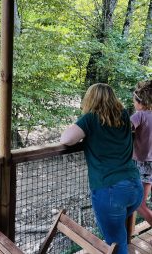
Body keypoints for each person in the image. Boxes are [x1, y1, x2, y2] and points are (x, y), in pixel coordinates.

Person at [60, 83, 143, 254]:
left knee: (116, 244)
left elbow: (66, 139)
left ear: (90, 99)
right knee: (119, 233)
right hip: (135, 187)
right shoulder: (123, 116)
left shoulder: (90, 118)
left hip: (111, 191)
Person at [130, 80, 152, 226]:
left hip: (144, 163)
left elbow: (121, 129)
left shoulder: (139, 115)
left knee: (139, 203)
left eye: (134, 101)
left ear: (139, 102)